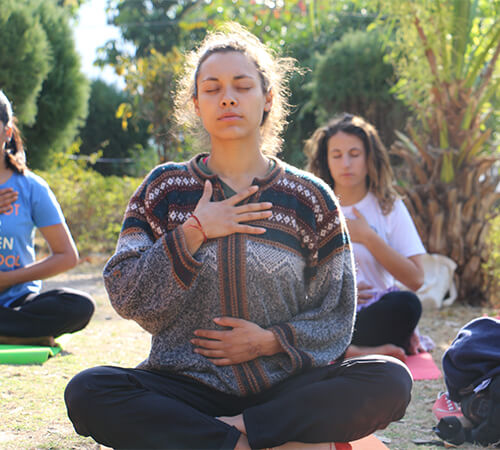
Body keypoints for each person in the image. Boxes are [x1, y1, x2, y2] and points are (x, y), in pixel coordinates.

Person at [64, 24, 412, 450]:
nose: (227, 97)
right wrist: (194, 231)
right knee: (89, 390)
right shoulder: (165, 189)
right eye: (212, 88)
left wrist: (269, 341)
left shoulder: (310, 198)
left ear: (267, 99)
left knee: (389, 378)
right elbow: (126, 292)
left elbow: (337, 313)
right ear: (195, 104)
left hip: (285, 388)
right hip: (185, 389)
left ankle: (234, 430)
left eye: (242, 85)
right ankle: (246, 440)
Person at [306, 113, 426, 362]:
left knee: (407, 304)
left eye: (354, 154)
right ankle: (350, 351)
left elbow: (415, 279)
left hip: (372, 314)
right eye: (337, 155)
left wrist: (368, 237)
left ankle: (336, 351)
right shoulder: (312, 209)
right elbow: (296, 278)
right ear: (326, 161)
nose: (346, 163)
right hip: (327, 315)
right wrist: (339, 292)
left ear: (369, 157)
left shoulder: (388, 206)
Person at [0, 90, 95, 346]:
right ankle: (16, 333)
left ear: (7, 132)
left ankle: (10, 329)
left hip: (19, 302)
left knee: (78, 306)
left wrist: (8, 279)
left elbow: (66, 255)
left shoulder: (31, 188)